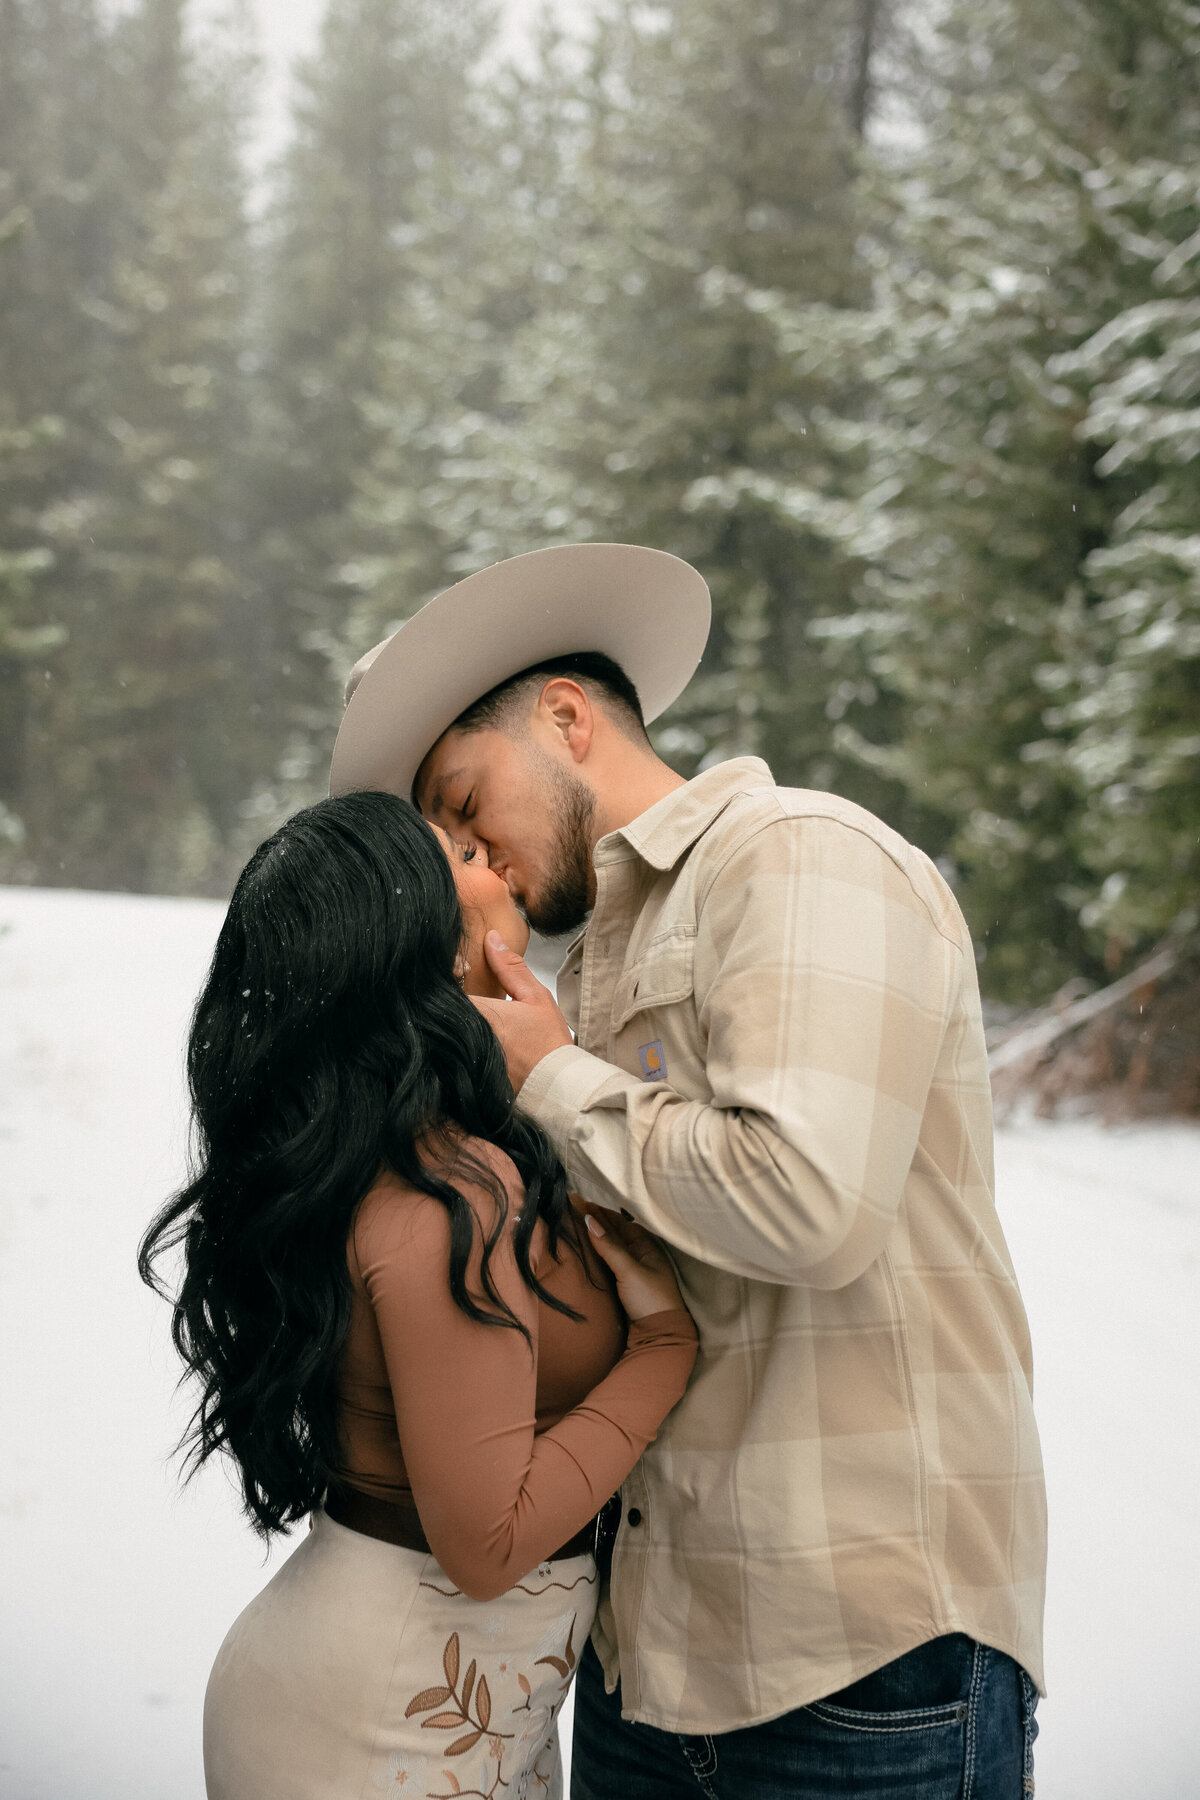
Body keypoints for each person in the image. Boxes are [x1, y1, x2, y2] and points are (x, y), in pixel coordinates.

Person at [331, 541, 1048, 1800]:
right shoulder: (596, 954)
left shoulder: (797, 856)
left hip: (857, 1664)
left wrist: (552, 1074)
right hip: (650, 1659)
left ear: (565, 718)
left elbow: (808, 1206)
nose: (473, 851)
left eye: (462, 800)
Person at [138, 789, 699, 1800]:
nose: (497, 860)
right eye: (463, 853)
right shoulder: (448, 1192)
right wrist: (663, 1352)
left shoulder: (410, 1155)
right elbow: (485, 1543)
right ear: (426, 944)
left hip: (452, 1705)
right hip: (381, 1720)